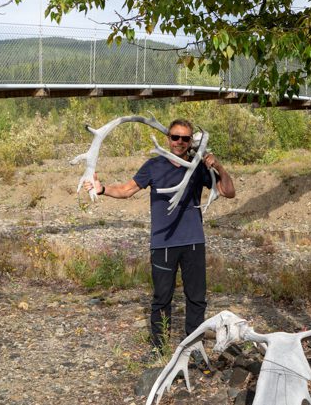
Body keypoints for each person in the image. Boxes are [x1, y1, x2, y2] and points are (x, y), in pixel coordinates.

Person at [85, 119, 235, 354]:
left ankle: (194, 349)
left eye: (185, 138)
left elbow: (229, 192)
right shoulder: (153, 166)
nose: (180, 142)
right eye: (175, 137)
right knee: (162, 299)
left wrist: (219, 167)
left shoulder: (198, 167)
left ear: (190, 141)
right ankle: (160, 350)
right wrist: (102, 189)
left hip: (193, 243)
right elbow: (127, 190)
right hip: (163, 244)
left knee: (196, 299)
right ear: (168, 139)